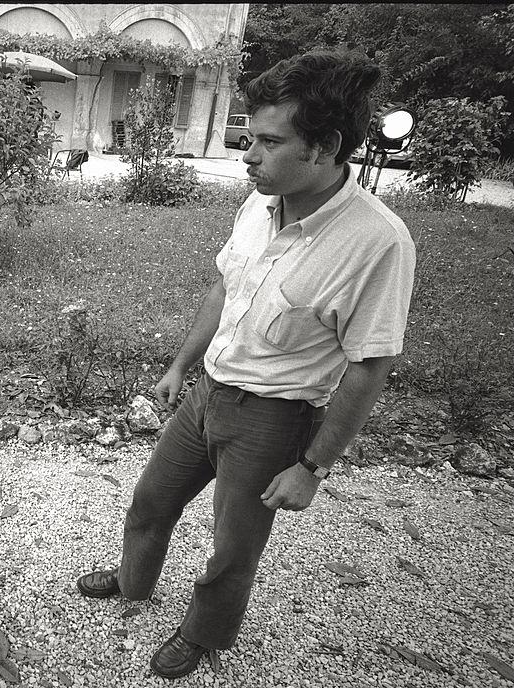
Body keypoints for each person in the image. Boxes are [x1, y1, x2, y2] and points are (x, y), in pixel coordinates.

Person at [76, 50, 416, 678]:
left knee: (232, 549)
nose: (248, 155)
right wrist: (182, 365)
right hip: (208, 393)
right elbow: (225, 288)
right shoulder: (260, 204)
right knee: (150, 504)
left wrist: (312, 468)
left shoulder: (377, 243)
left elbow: (370, 366)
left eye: (267, 141)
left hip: (274, 420)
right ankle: (132, 582)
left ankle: (206, 632)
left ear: (325, 147)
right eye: (248, 137)